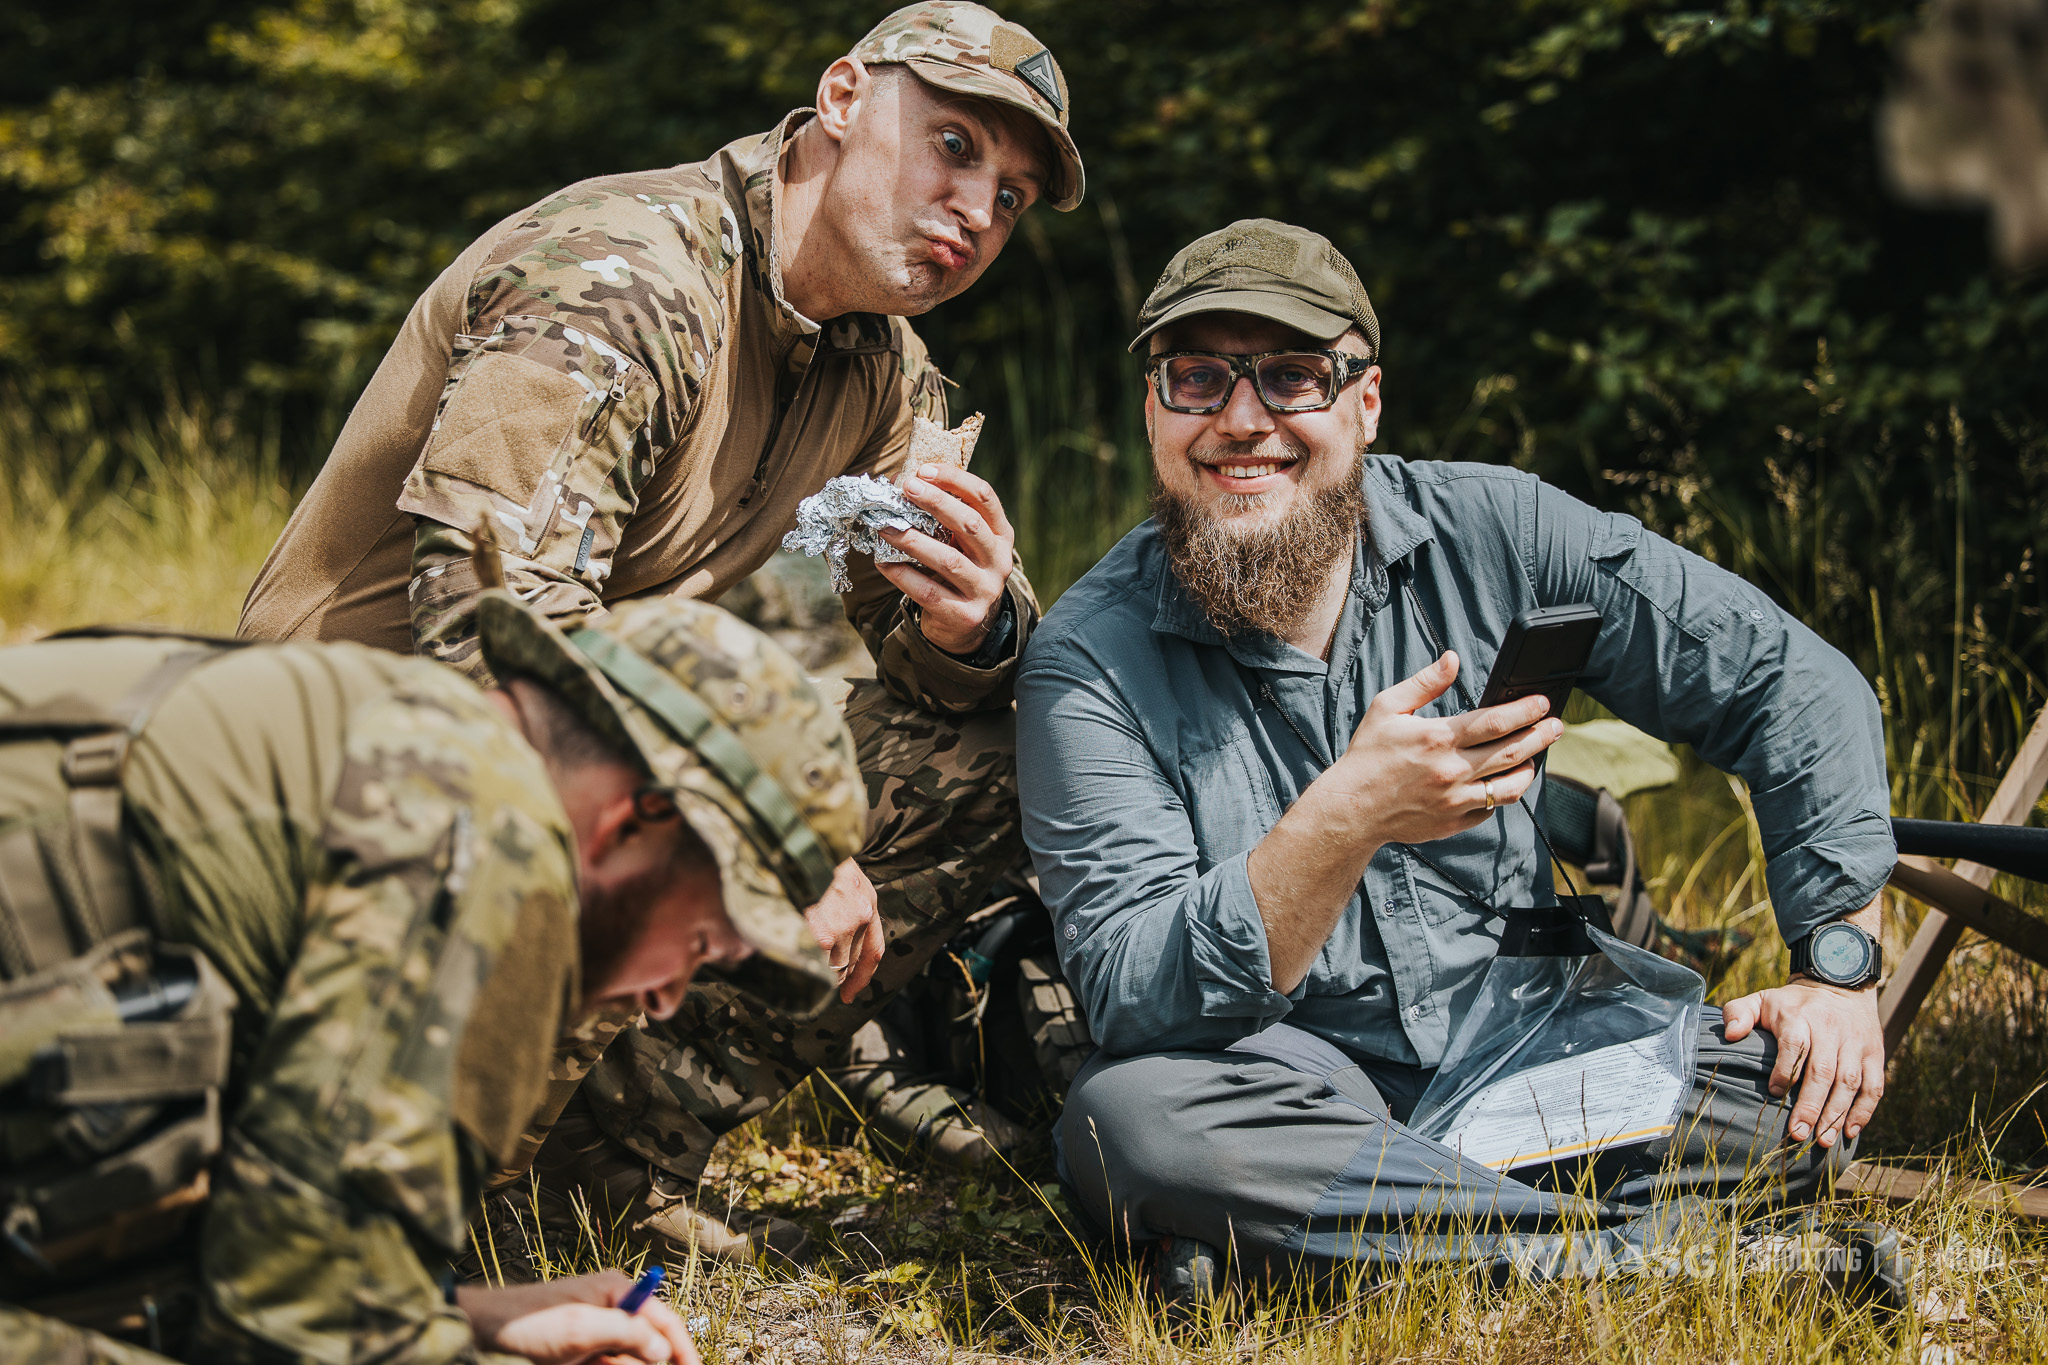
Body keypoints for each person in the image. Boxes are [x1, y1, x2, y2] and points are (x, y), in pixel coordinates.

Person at [234, 1, 1083, 1256]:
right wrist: (769, 823)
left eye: (1009, 196)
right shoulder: (619, 272)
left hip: (553, 787)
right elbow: (489, 631)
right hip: (339, 773)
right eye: (953, 144)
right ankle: (385, 1182)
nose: (974, 208)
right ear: (842, 99)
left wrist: (974, 632)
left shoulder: (877, 370)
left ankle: (585, 1167)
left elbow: (917, 648)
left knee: (1007, 754)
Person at [1016, 220, 1898, 1294]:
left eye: (1291, 377)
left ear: (1364, 401)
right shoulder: (1086, 657)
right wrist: (1342, 818)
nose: (1240, 421)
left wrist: (1835, 970)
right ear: (1155, 407)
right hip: (1289, 1083)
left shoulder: (1503, 535)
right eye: (1194, 378)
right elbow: (1129, 992)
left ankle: (1320, 1253)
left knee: (1791, 1095)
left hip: (1528, 1060)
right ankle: (1635, 1263)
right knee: (1132, 1126)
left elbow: (1788, 683)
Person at [0, 585, 865, 1363]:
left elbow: (284, 1248)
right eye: (703, 937)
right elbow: (290, 1337)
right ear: (635, 822)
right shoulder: (491, 848)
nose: (668, 996)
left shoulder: (400, 731)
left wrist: (469, 1315)